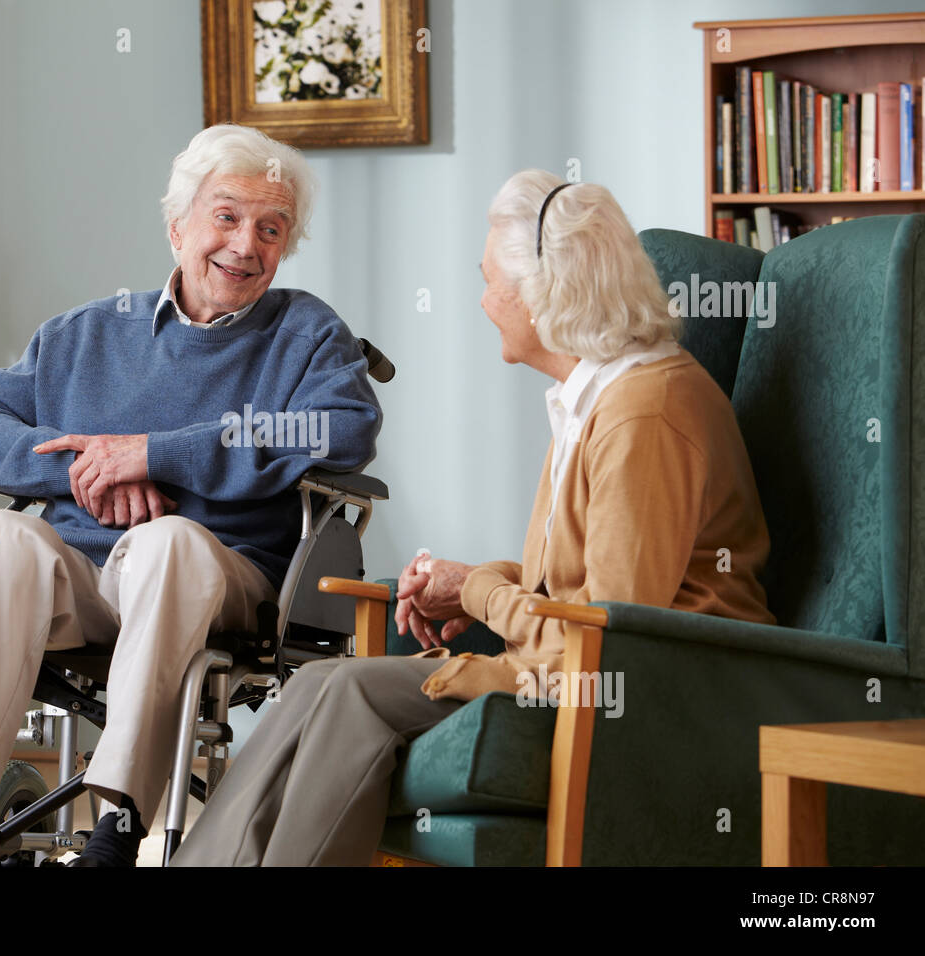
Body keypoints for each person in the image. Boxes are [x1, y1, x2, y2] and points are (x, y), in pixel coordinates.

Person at [169, 169, 776, 867]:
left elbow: (614, 629)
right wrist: (471, 582)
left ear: (546, 293)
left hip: (653, 691)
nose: (484, 301)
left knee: (350, 695)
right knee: (316, 681)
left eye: (492, 281)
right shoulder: (596, 396)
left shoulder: (646, 411)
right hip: (569, 663)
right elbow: (582, 582)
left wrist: (481, 592)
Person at [0, 124, 381, 866]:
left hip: (219, 576)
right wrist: (80, 469)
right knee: (0, 537)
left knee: (167, 543)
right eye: (226, 217)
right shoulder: (86, 334)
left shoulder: (306, 334)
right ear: (177, 226)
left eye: (271, 228)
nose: (246, 245)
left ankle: (117, 830)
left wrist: (158, 456)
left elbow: (342, 430)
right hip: (82, 582)